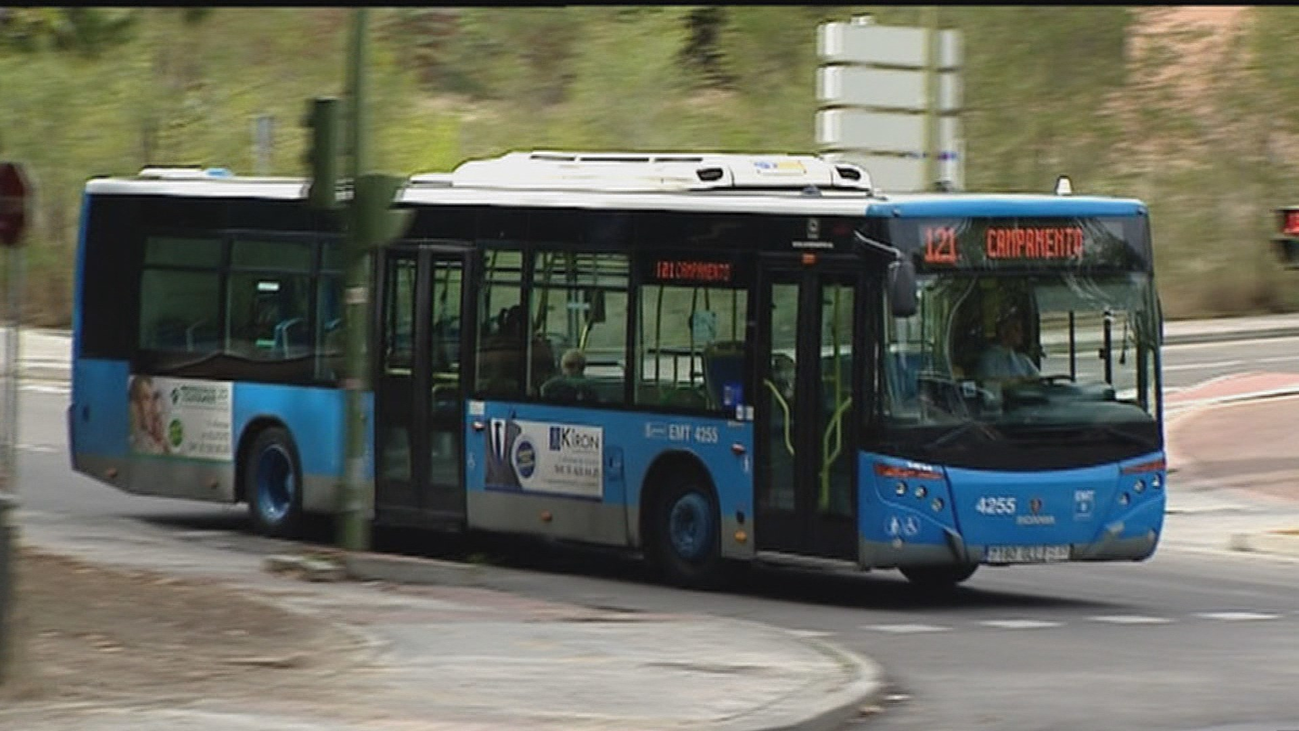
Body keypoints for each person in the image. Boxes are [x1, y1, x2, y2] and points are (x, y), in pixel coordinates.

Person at [976, 314, 1039, 383]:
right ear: (1003, 331)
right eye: (1016, 329)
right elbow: (990, 385)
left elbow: (1039, 381)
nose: (1021, 334)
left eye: (1021, 330)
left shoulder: (1024, 360)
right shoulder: (988, 359)